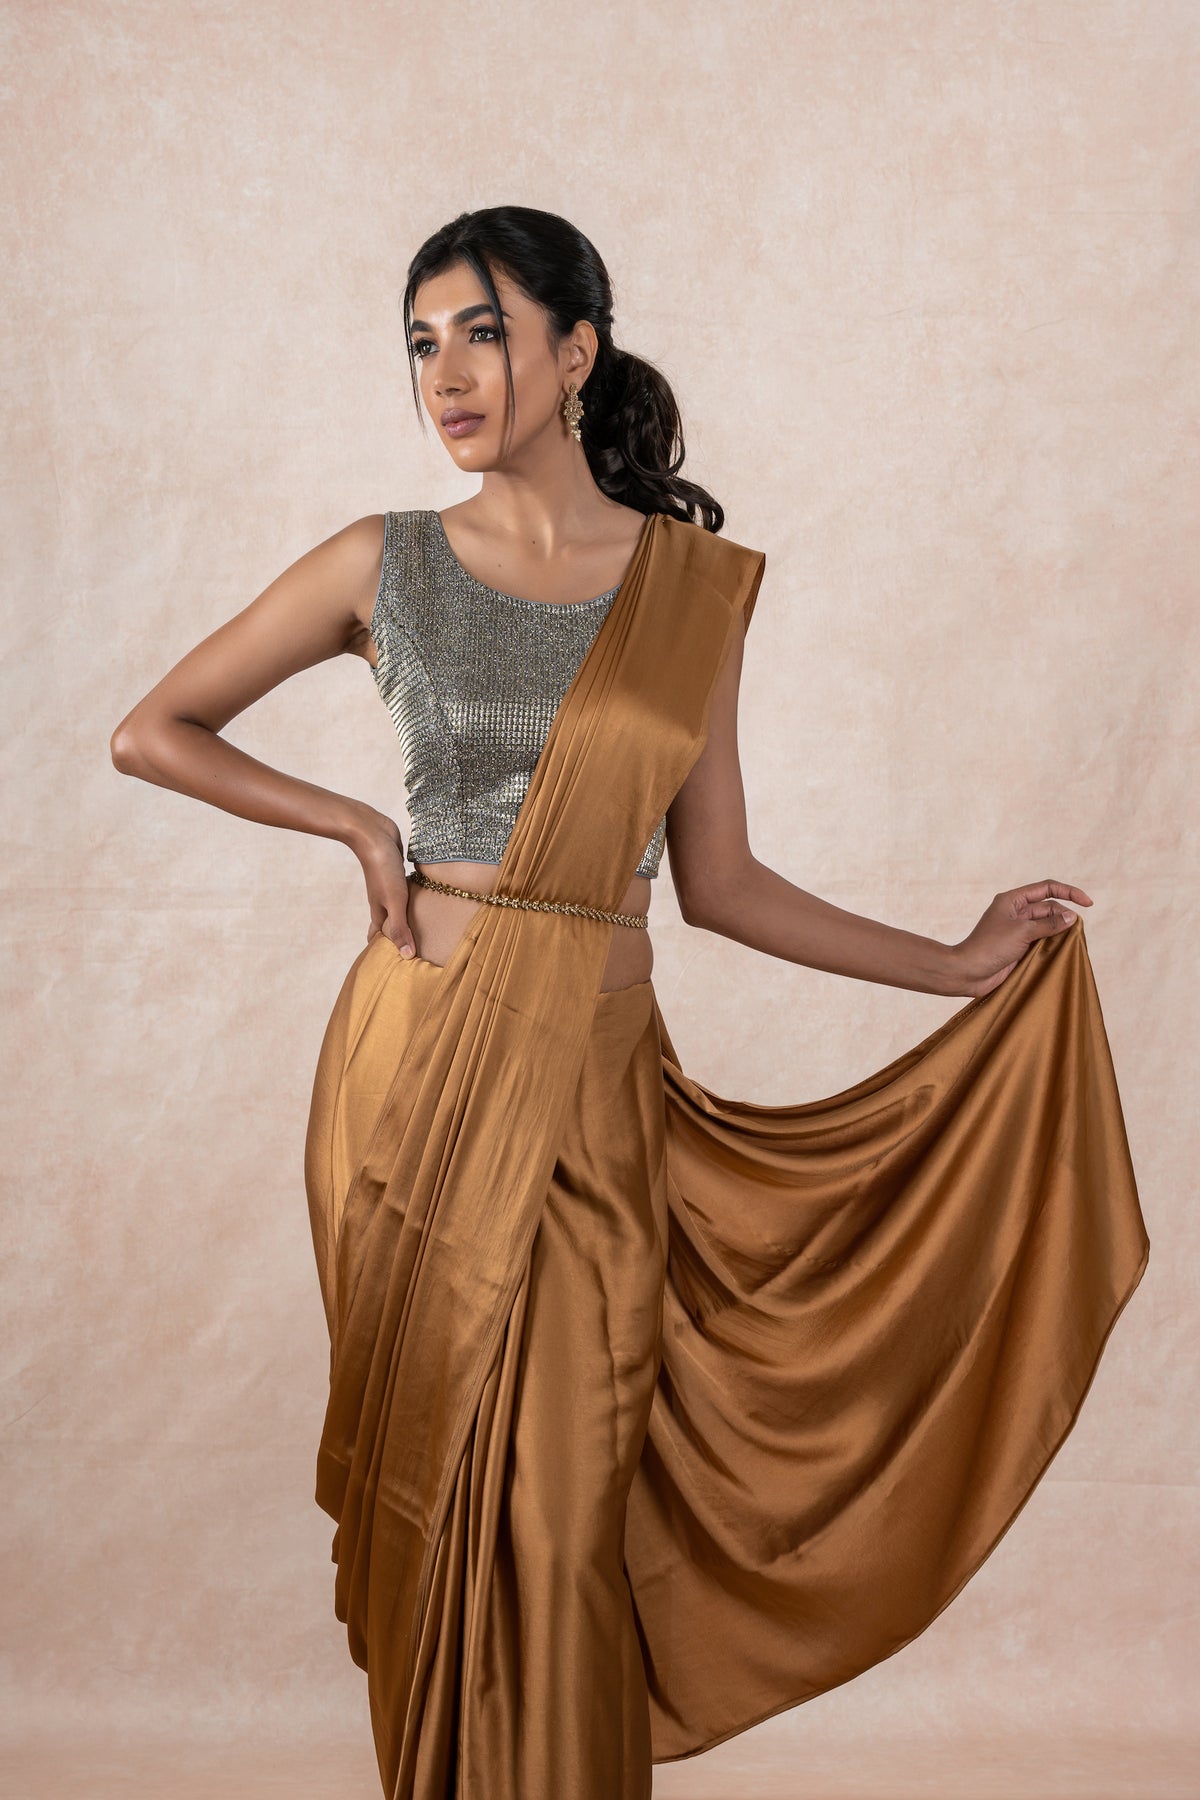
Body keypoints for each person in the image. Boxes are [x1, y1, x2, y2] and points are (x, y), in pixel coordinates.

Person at [110, 205, 1149, 1800]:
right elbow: (154, 728)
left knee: (561, 1505)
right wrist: (355, 823)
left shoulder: (691, 592)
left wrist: (953, 961)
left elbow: (721, 881)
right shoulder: (376, 561)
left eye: (479, 331)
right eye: (419, 340)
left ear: (574, 351)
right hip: (409, 1079)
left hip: (595, 1093)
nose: (443, 371)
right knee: (439, 1503)